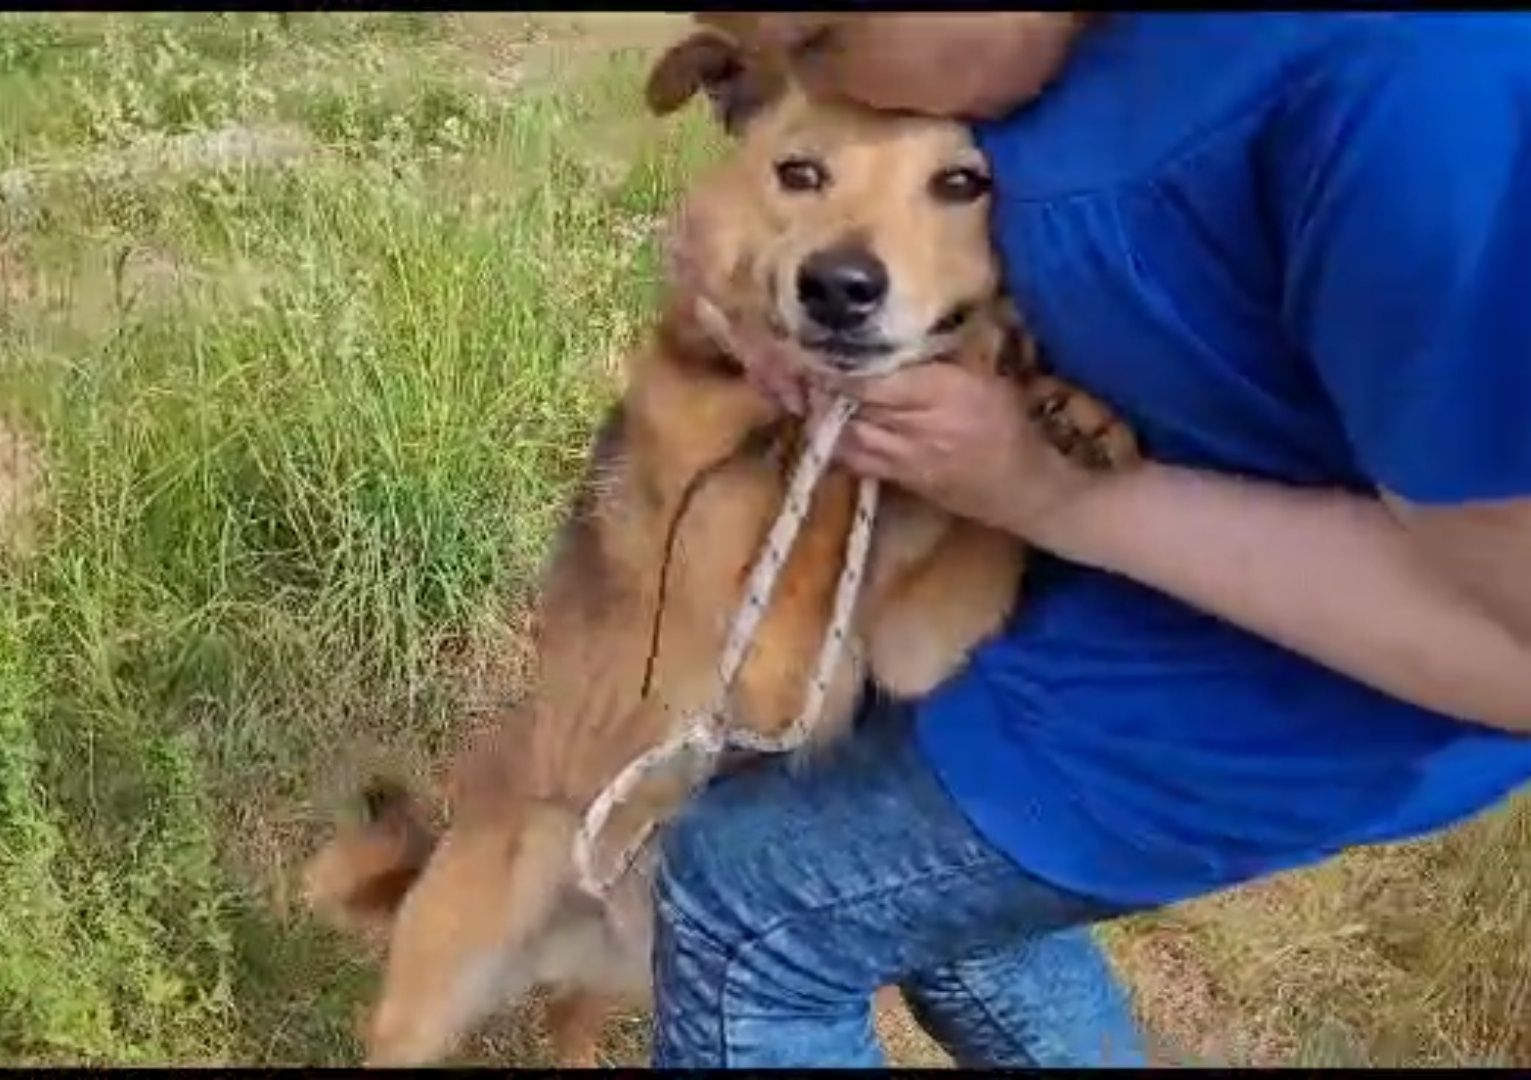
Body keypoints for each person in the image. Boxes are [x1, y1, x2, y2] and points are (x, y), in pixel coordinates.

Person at [651, 12, 1531, 1067]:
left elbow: (1511, 642)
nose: (791, 58)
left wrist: (1047, 494)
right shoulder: (1032, 59)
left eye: (825, 35)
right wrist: (752, 283)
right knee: (931, 913)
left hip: (1305, 679)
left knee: (748, 905)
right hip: (1072, 590)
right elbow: (788, 205)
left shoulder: (1424, 97)